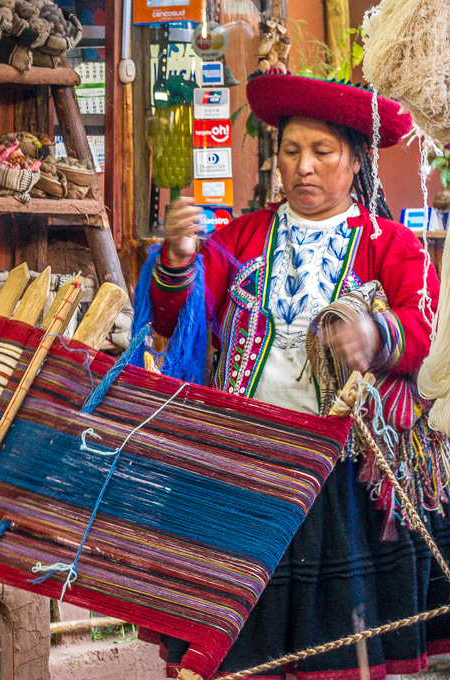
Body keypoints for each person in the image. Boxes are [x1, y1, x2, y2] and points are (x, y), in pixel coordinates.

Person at [143, 71, 450, 679]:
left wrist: (374, 336)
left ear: (357, 160)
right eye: (290, 152)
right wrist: (177, 260)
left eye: (322, 151)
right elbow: (183, 324)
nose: (303, 167)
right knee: (245, 646)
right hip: (247, 465)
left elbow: (426, 331)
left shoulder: (390, 246)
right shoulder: (243, 237)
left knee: (333, 648)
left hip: (340, 480)